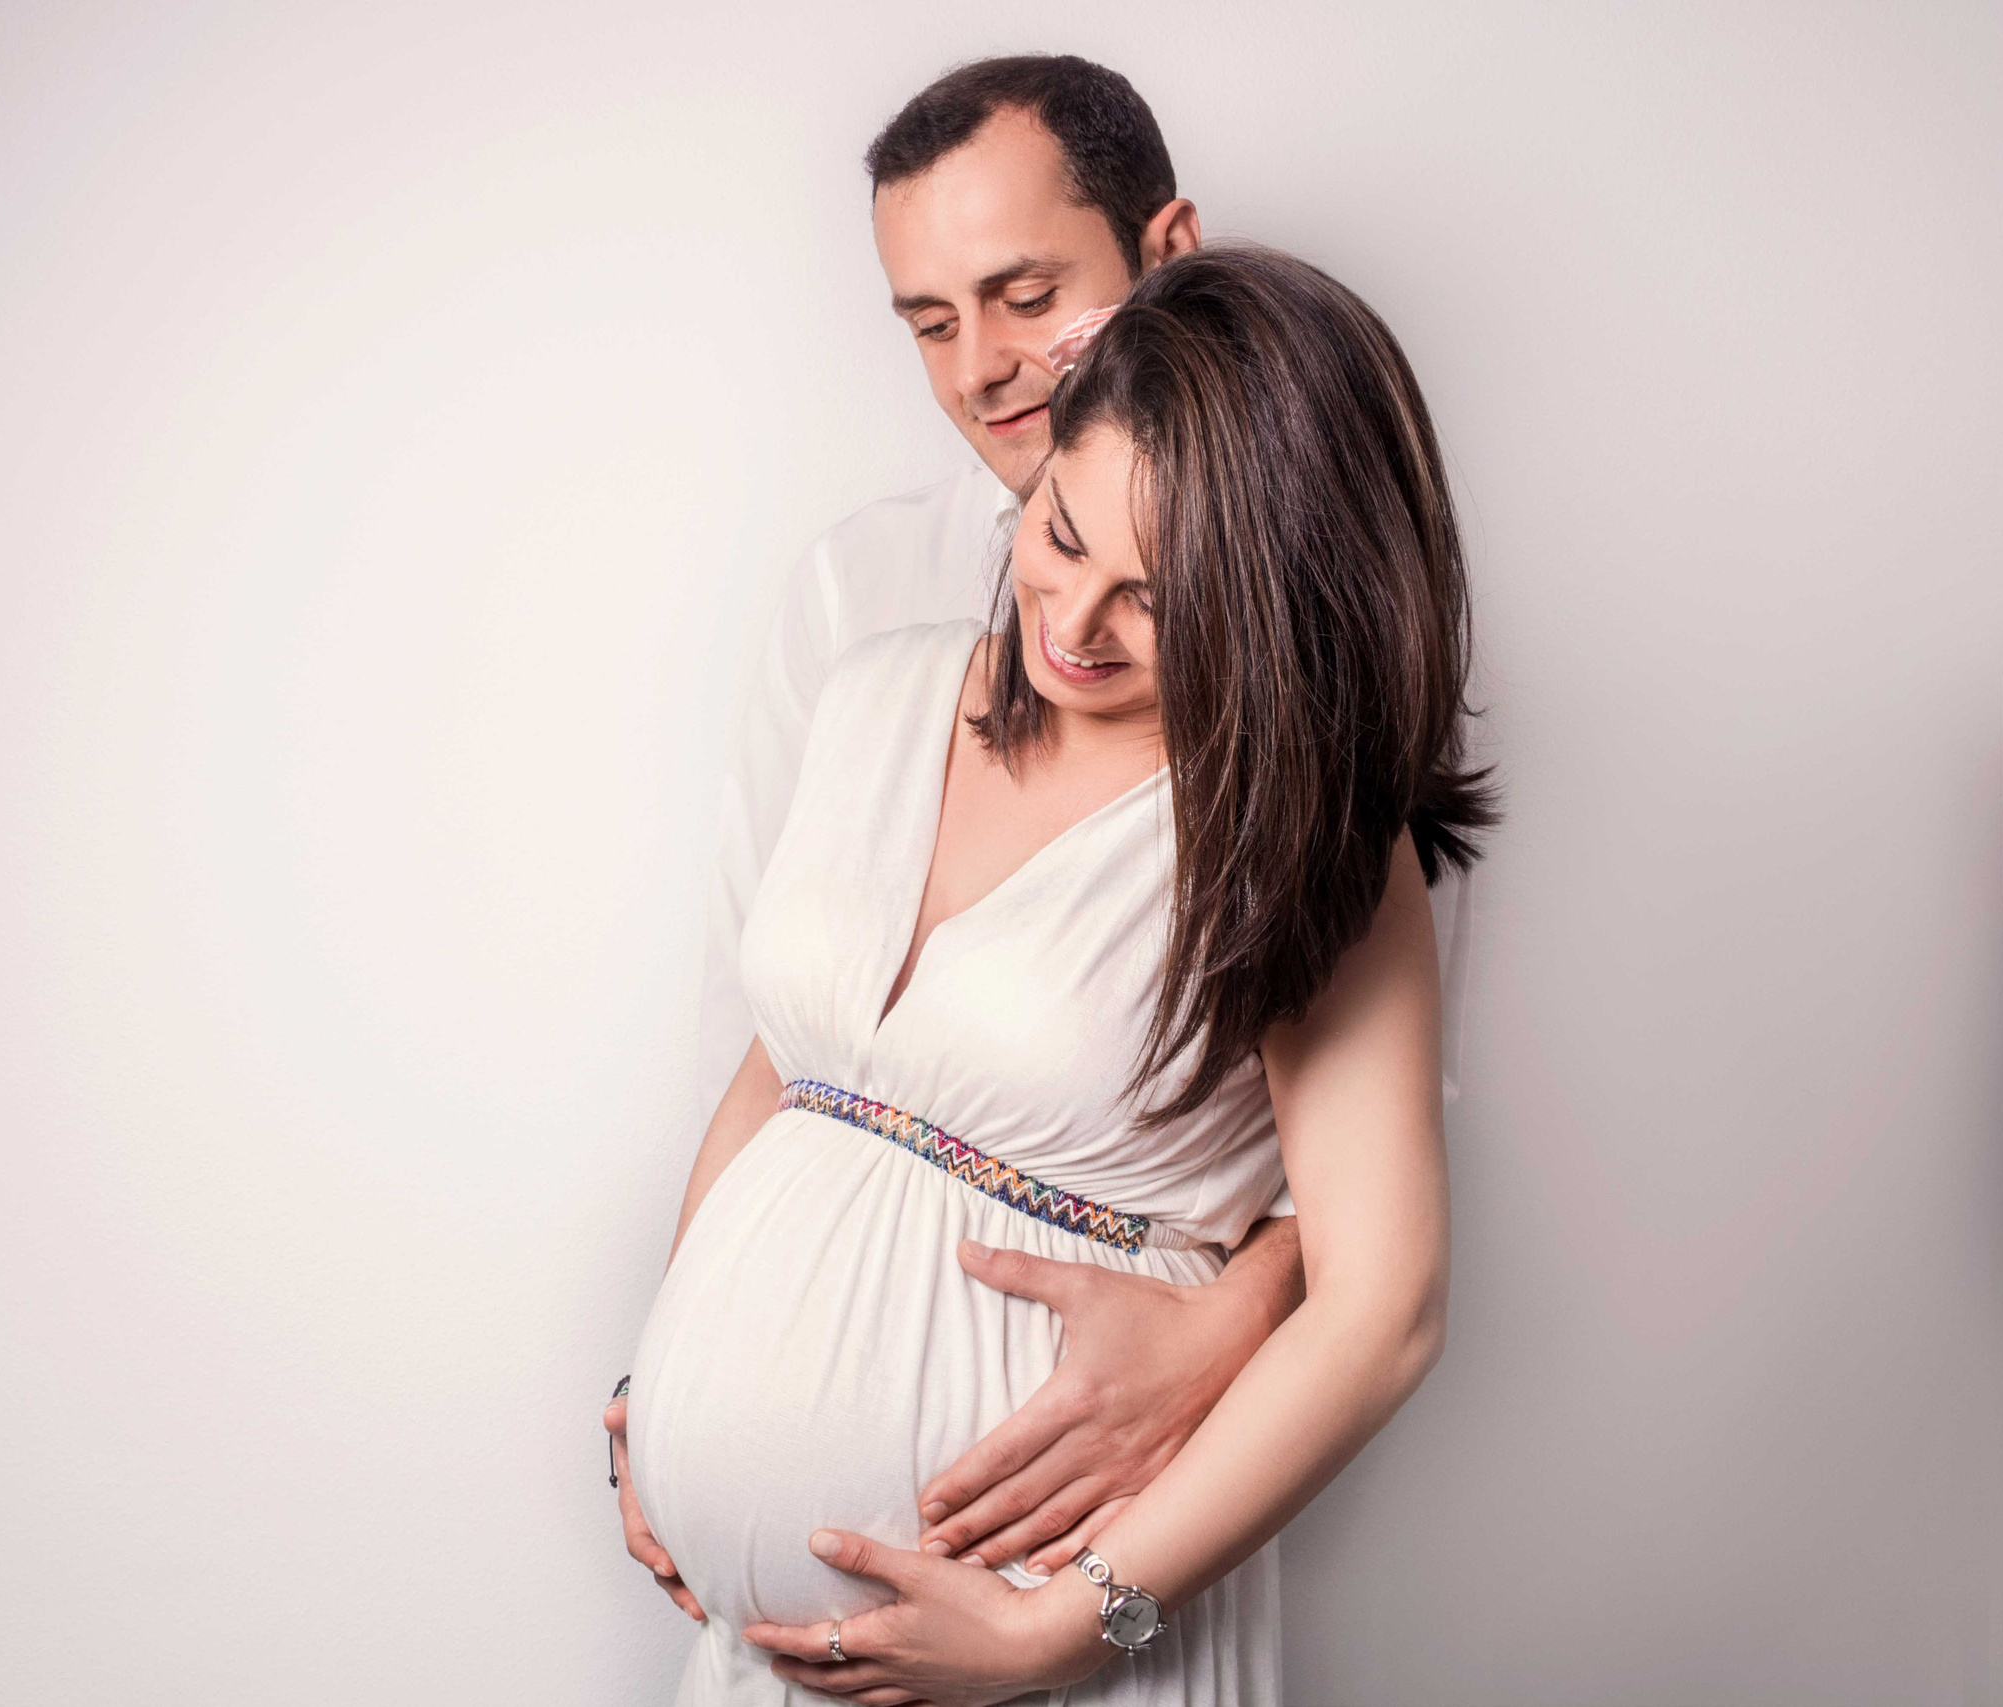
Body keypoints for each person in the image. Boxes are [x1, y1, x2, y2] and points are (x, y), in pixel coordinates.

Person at [624, 245, 1491, 1705]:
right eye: (1067, 534)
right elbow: (784, 1076)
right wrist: (659, 1395)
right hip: (754, 1662)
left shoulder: (1297, 837)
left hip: (1051, 1652)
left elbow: (1383, 1310)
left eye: (1160, 601)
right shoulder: (878, 690)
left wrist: (1063, 1627)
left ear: (1276, 605)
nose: (1076, 625)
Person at [608, 56, 1319, 1633]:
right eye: (931, 322)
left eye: (1023, 293)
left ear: (1168, 250)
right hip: (772, 1622)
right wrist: (673, 1364)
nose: (981, 368)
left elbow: (1370, 1158)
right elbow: (794, 1048)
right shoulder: (860, 600)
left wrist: (1215, 1334)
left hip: (1075, 1538)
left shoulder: (1310, 653)